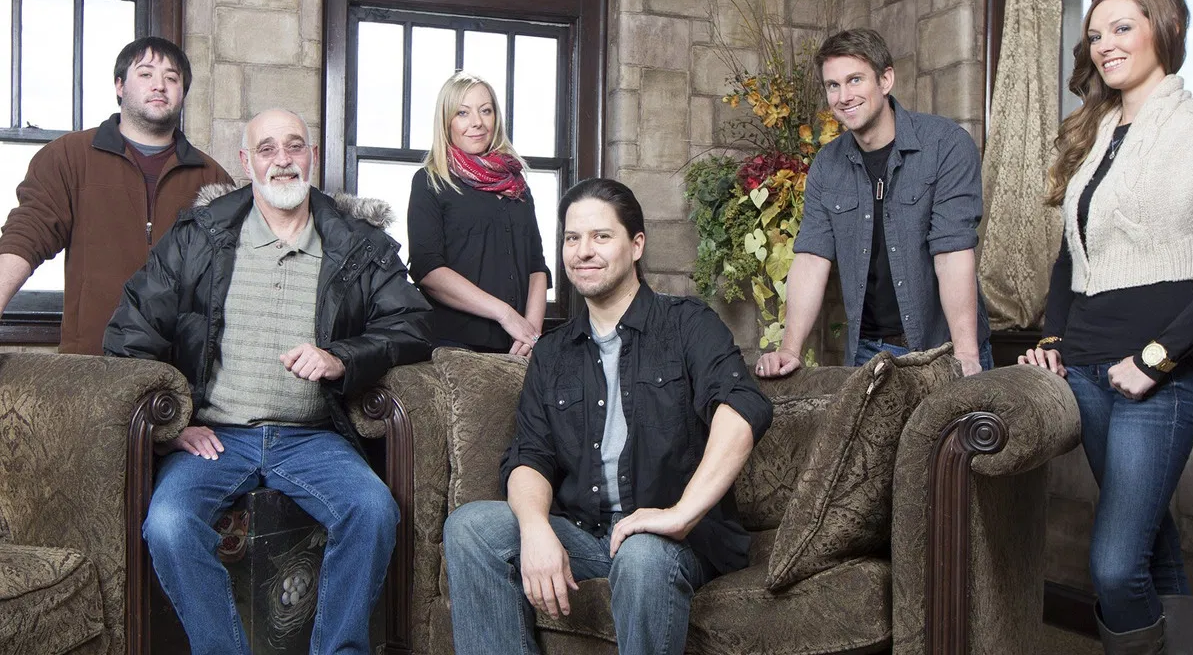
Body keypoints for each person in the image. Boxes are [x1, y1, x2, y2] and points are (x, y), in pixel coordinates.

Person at [103, 109, 433, 655]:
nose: (283, 160)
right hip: (217, 435)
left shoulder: (359, 244)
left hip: (314, 436)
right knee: (169, 524)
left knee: (373, 511)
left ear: (313, 156)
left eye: (295, 146)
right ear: (245, 161)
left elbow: (413, 325)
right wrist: (173, 426)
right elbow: (130, 331)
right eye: (267, 149)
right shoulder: (200, 236)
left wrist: (341, 358)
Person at [1018, 0, 1193, 655]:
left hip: (1156, 378)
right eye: (1095, 34)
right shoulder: (1096, 134)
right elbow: (1071, 257)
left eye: (1122, 28)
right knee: (1152, 545)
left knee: (1113, 565)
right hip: (1086, 371)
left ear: (1164, 28)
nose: (1104, 44)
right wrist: (1053, 338)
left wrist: (1159, 356)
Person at [442, 179, 773, 654]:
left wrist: (680, 515)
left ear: (636, 245)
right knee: (471, 527)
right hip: (586, 535)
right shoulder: (552, 354)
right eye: (572, 238)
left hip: (672, 542)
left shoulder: (687, 324)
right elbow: (530, 457)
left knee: (641, 554)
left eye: (601, 236)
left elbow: (741, 407)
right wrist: (535, 529)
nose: (583, 251)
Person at [755, 28, 991, 379]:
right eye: (833, 85)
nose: (843, 96)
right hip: (869, 354)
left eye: (855, 80)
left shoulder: (946, 145)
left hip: (943, 348)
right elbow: (812, 258)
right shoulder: (827, 165)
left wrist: (965, 355)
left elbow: (952, 251)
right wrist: (789, 349)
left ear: (885, 80)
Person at [0, 36, 233, 354]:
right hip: (92, 362)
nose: (159, 85)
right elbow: (27, 234)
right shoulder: (69, 156)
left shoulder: (212, 176)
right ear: (120, 86)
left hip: (179, 369)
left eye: (171, 78)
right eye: (146, 73)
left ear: (183, 93)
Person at [407, 71, 550, 356]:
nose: (477, 122)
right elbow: (428, 271)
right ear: (446, 121)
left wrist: (531, 333)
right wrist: (505, 314)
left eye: (486, 110)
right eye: (463, 113)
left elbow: (537, 265)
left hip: (518, 345)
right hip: (455, 346)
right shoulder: (430, 182)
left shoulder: (517, 185)